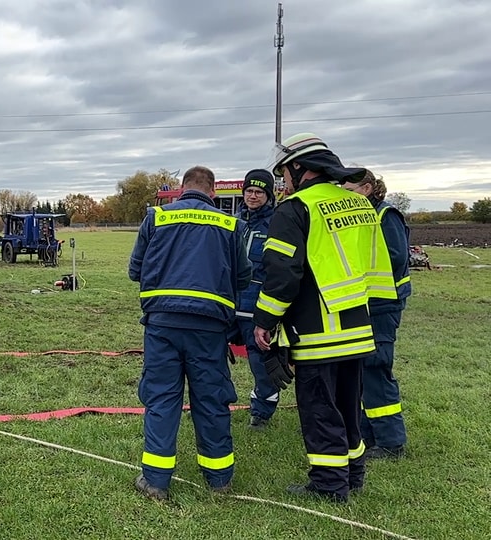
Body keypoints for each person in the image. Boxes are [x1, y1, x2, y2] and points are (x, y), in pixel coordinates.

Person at [253, 133, 397, 503]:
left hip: (317, 332)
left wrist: (264, 320)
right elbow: (377, 267)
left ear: (299, 168)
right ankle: (354, 474)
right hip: (360, 326)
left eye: (284, 173)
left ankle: (329, 486)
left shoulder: (295, 209)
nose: (283, 181)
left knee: (320, 410)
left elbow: (282, 274)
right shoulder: (359, 205)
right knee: (349, 405)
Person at [129, 165, 252, 500]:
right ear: (212, 192)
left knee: (161, 399)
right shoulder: (230, 224)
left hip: (162, 325)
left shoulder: (156, 217)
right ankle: (219, 481)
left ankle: (155, 482)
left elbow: (134, 271)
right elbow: (243, 278)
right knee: (211, 400)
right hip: (210, 328)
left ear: (182, 189)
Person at [342, 171, 412, 459]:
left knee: (376, 368)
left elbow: (395, 257)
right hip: (364, 303)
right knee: (361, 370)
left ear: (368, 188)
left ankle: (391, 441)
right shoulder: (358, 216)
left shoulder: (385, 215)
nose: (344, 196)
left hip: (382, 305)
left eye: (349, 190)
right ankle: (367, 433)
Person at [234, 169, 280, 430]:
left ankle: (262, 411)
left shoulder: (277, 224)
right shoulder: (235, 221)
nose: (253, 196)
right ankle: (216, 402)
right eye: (249, 191)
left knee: (259, 362)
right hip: (229, 303)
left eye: (259, 192)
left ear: (268, 195)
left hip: (257, 306)